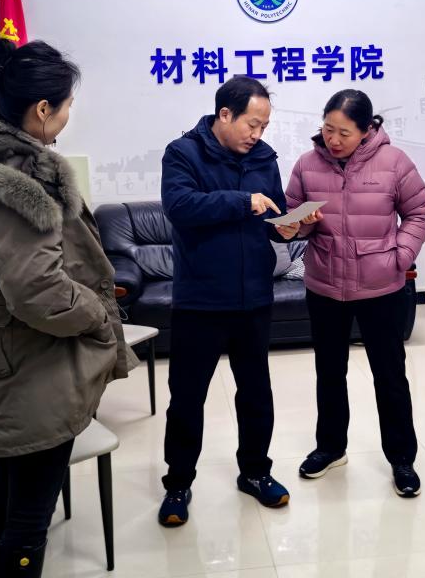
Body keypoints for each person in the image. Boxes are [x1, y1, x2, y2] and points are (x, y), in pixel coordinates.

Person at [0, 39, 133, 577]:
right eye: (66, 106)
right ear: (43, 109)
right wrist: (95, 312)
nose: (68, 117)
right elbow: (36, 289)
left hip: (1, 358)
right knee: (27, 524)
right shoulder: (24, 177)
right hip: (31, 369)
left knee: (10, 494)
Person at [158, 76, 300, 527]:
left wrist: (290, 226)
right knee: (187, 398)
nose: (257, 134)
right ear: (225, 114)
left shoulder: (264, 158)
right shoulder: (183, 153)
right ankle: (178, 483)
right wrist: (243, 201)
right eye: (251, 124)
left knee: (256, 393)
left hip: (253, 297)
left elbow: (274, 215)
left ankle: (255, 472)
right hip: (200, 299)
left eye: (264, 126)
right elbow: (180, 207)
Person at [285, 89, 425, 497]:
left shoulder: (394, 162)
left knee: (390, 375)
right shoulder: (307, 165)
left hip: (381, 287)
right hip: (325, 285)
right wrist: (298, 224)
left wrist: (399, 257)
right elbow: (294, 219)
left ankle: (402, 459)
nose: (333, 140)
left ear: (367, 130)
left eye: (344, 133)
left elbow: (420, 212)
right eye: (327, 129)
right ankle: (330, 448)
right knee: (329, 371)